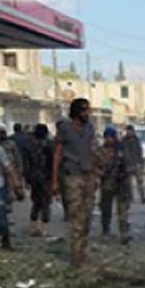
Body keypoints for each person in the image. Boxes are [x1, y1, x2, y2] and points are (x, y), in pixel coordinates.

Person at [54, 98, 98, 268]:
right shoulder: (64, 129)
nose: (87, 113)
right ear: (76, 112)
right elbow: (57, 154)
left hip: (88, 176)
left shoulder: (90, 129)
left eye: (88, 110)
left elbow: (92, 151)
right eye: (84, 110)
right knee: (77, 217)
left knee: (87, 216)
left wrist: (95, 176)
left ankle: (82, 252)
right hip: (72, 176)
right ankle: (76, 258)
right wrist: (54, 182)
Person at [96, 127, 140, 245]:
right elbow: (95, 167)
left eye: (111, 137)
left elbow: (129, 164)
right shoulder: (100, 151)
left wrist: (126, 171)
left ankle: (124, 234)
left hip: (122, 184)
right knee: (106, 211)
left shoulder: (122, 149)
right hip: (107, 185)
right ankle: (106, 232)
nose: (109, 140)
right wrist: (101, 173)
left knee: (123, 211)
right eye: (107, 137)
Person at [23, 124, 55, 237]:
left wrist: (26, 178)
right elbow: (53, 163)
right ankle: (44, 229)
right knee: (46, 203)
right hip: (46, 177)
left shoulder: (30, 145)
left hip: (34, 178)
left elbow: (26, 163)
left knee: (36, 202)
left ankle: (33, 227)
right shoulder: (50, 144)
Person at [122, 125, 145, 205]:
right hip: (128, 163)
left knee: (140, 182)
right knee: (128, 183)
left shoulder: (136, 140)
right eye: (128, 131)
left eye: (130, 131)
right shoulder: (123, 140)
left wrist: (141, 163)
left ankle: (142, 197)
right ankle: (130, 197)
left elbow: (140, 152)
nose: (129, 132)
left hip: (137, 163)